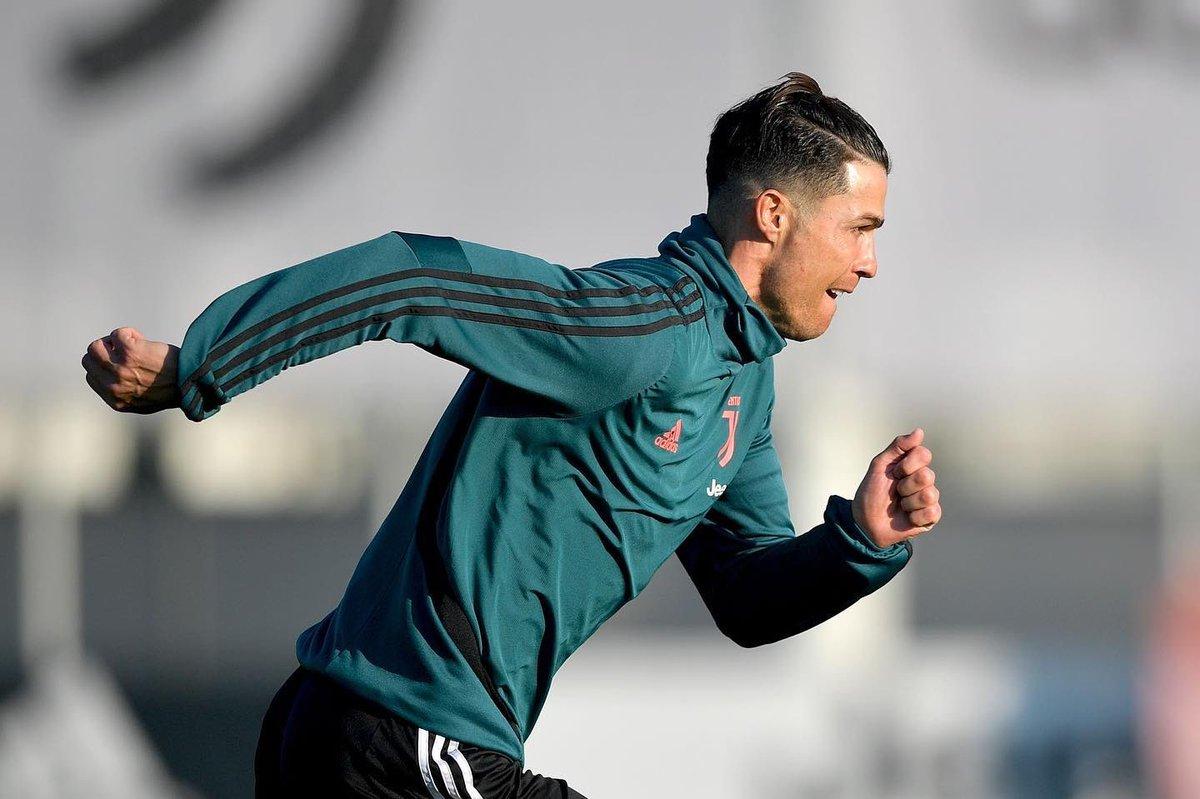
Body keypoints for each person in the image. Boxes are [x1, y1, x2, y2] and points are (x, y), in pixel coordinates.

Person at [81, 72, 943, 798]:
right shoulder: (642, 324)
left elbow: (746, 595)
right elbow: (409, 273)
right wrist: (200, 366)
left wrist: (860, 542)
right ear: (774, 215)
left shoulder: (744, 382)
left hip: (390, 736)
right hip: (400, 732)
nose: (869, 263)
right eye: (859, 229)